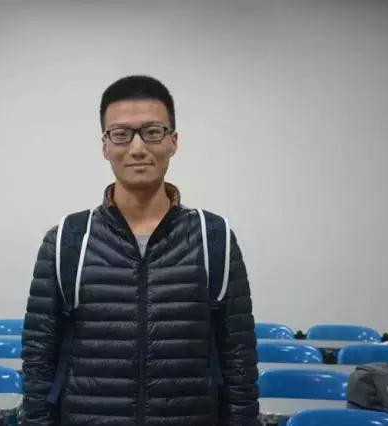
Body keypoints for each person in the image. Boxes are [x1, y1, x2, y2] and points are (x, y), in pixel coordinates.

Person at [22, 75, 259, 426]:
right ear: (105, 146)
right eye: (121, 134)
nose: (137, 148)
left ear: (173, 141)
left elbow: (239, 361)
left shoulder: (214, 237)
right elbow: (38, 361)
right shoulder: (68, 239)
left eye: (152, 132)